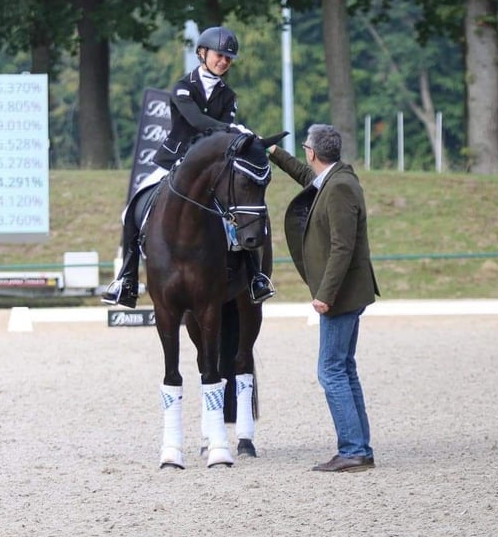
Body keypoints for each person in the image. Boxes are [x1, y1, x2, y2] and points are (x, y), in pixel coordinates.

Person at [101, 26, 275, 308]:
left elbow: (220, 137)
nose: (223, 62)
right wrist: (231, 128)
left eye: (228, 59)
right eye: (219, 55)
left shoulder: (228, 96)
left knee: (236, 214)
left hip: (212, 167)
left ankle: (254, 276)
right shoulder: (183, 87)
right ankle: (127, 279)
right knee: (131, 211)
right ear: (202, 54)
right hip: (175, 160)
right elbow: (195, 121)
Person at [267, 124, 380, 472]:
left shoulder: (340, 187)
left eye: (305, 149)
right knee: (344, 369)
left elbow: (343, 246)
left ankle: (353, 449)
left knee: (330, 371)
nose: (305, 155)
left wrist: (325, 296)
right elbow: (305, 175)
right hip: (344, 294)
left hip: (341, 295)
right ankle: (359, 447)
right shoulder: (334, 179)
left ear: (313, 152)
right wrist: (274, 154)